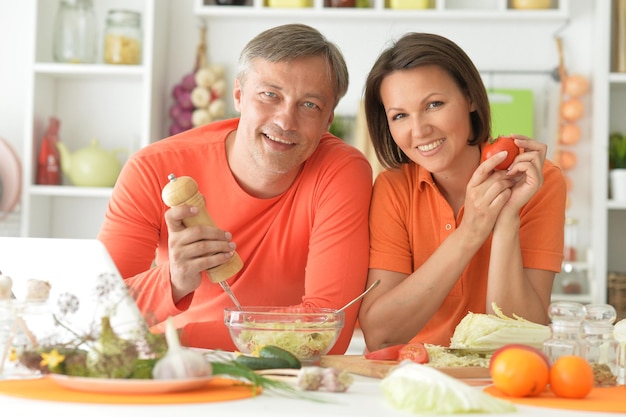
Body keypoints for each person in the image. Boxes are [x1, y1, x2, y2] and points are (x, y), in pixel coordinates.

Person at [98, 23, 373, 353]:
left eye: (309, 105)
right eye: (270, 95)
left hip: (280, 373)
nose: (286, 121)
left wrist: (171, 339)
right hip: (176, 369)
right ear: (239, 94)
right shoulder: (152, 168)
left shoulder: (341, 172)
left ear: (329, 119)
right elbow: (100, 313)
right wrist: (173, 281)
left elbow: (327, 331)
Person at [357, 32, 566, 351]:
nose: (419, 130)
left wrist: (506, 220)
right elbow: (381, 335)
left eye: (434, 104)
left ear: (470, 98)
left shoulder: (537, 182)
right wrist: (472, 230)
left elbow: (521, 335)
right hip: (417, 376)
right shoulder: (393, 188)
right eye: (399, 115)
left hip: (505, 376)